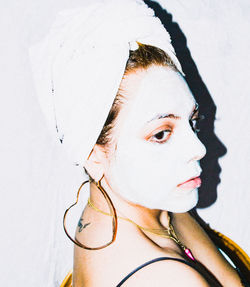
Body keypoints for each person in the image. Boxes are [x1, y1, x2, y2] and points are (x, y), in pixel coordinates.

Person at [29, 0, 250, 286]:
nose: (200, 148)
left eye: (192, 121)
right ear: (94, 157)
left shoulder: (126, 205)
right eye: (161, 134)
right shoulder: (168, 279)